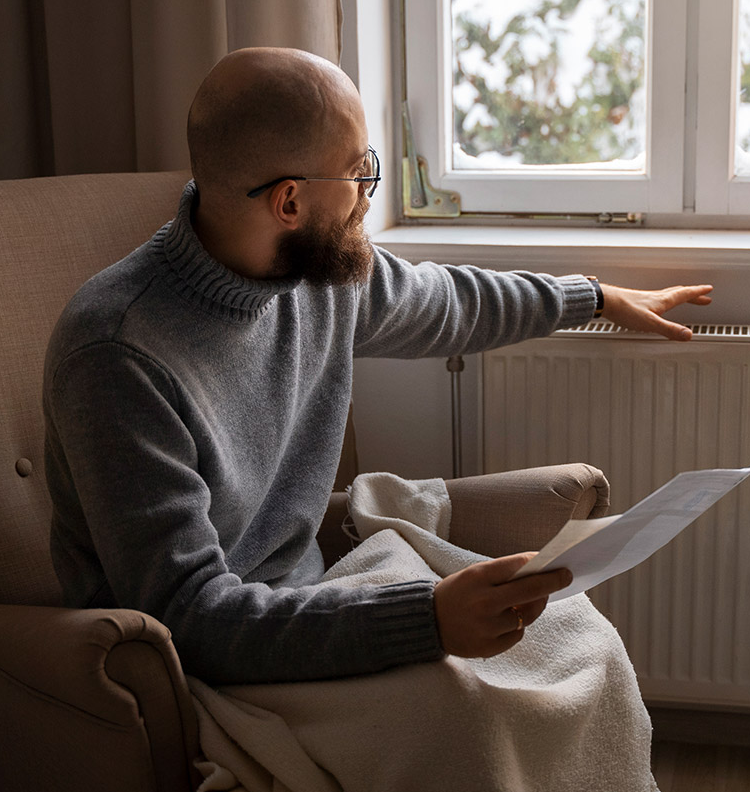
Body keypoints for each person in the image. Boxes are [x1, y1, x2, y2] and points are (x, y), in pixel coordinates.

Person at [43, 46, 713, 685]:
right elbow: (187, 617)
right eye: (359, 169)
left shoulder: (313, 275)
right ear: (290, 202)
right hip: (201, 670)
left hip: (309, 600)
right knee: (484, 709)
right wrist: (425, 621)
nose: (368, 194)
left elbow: (451, 302)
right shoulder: (118, 356)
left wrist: (592, 296)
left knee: (577, 647)